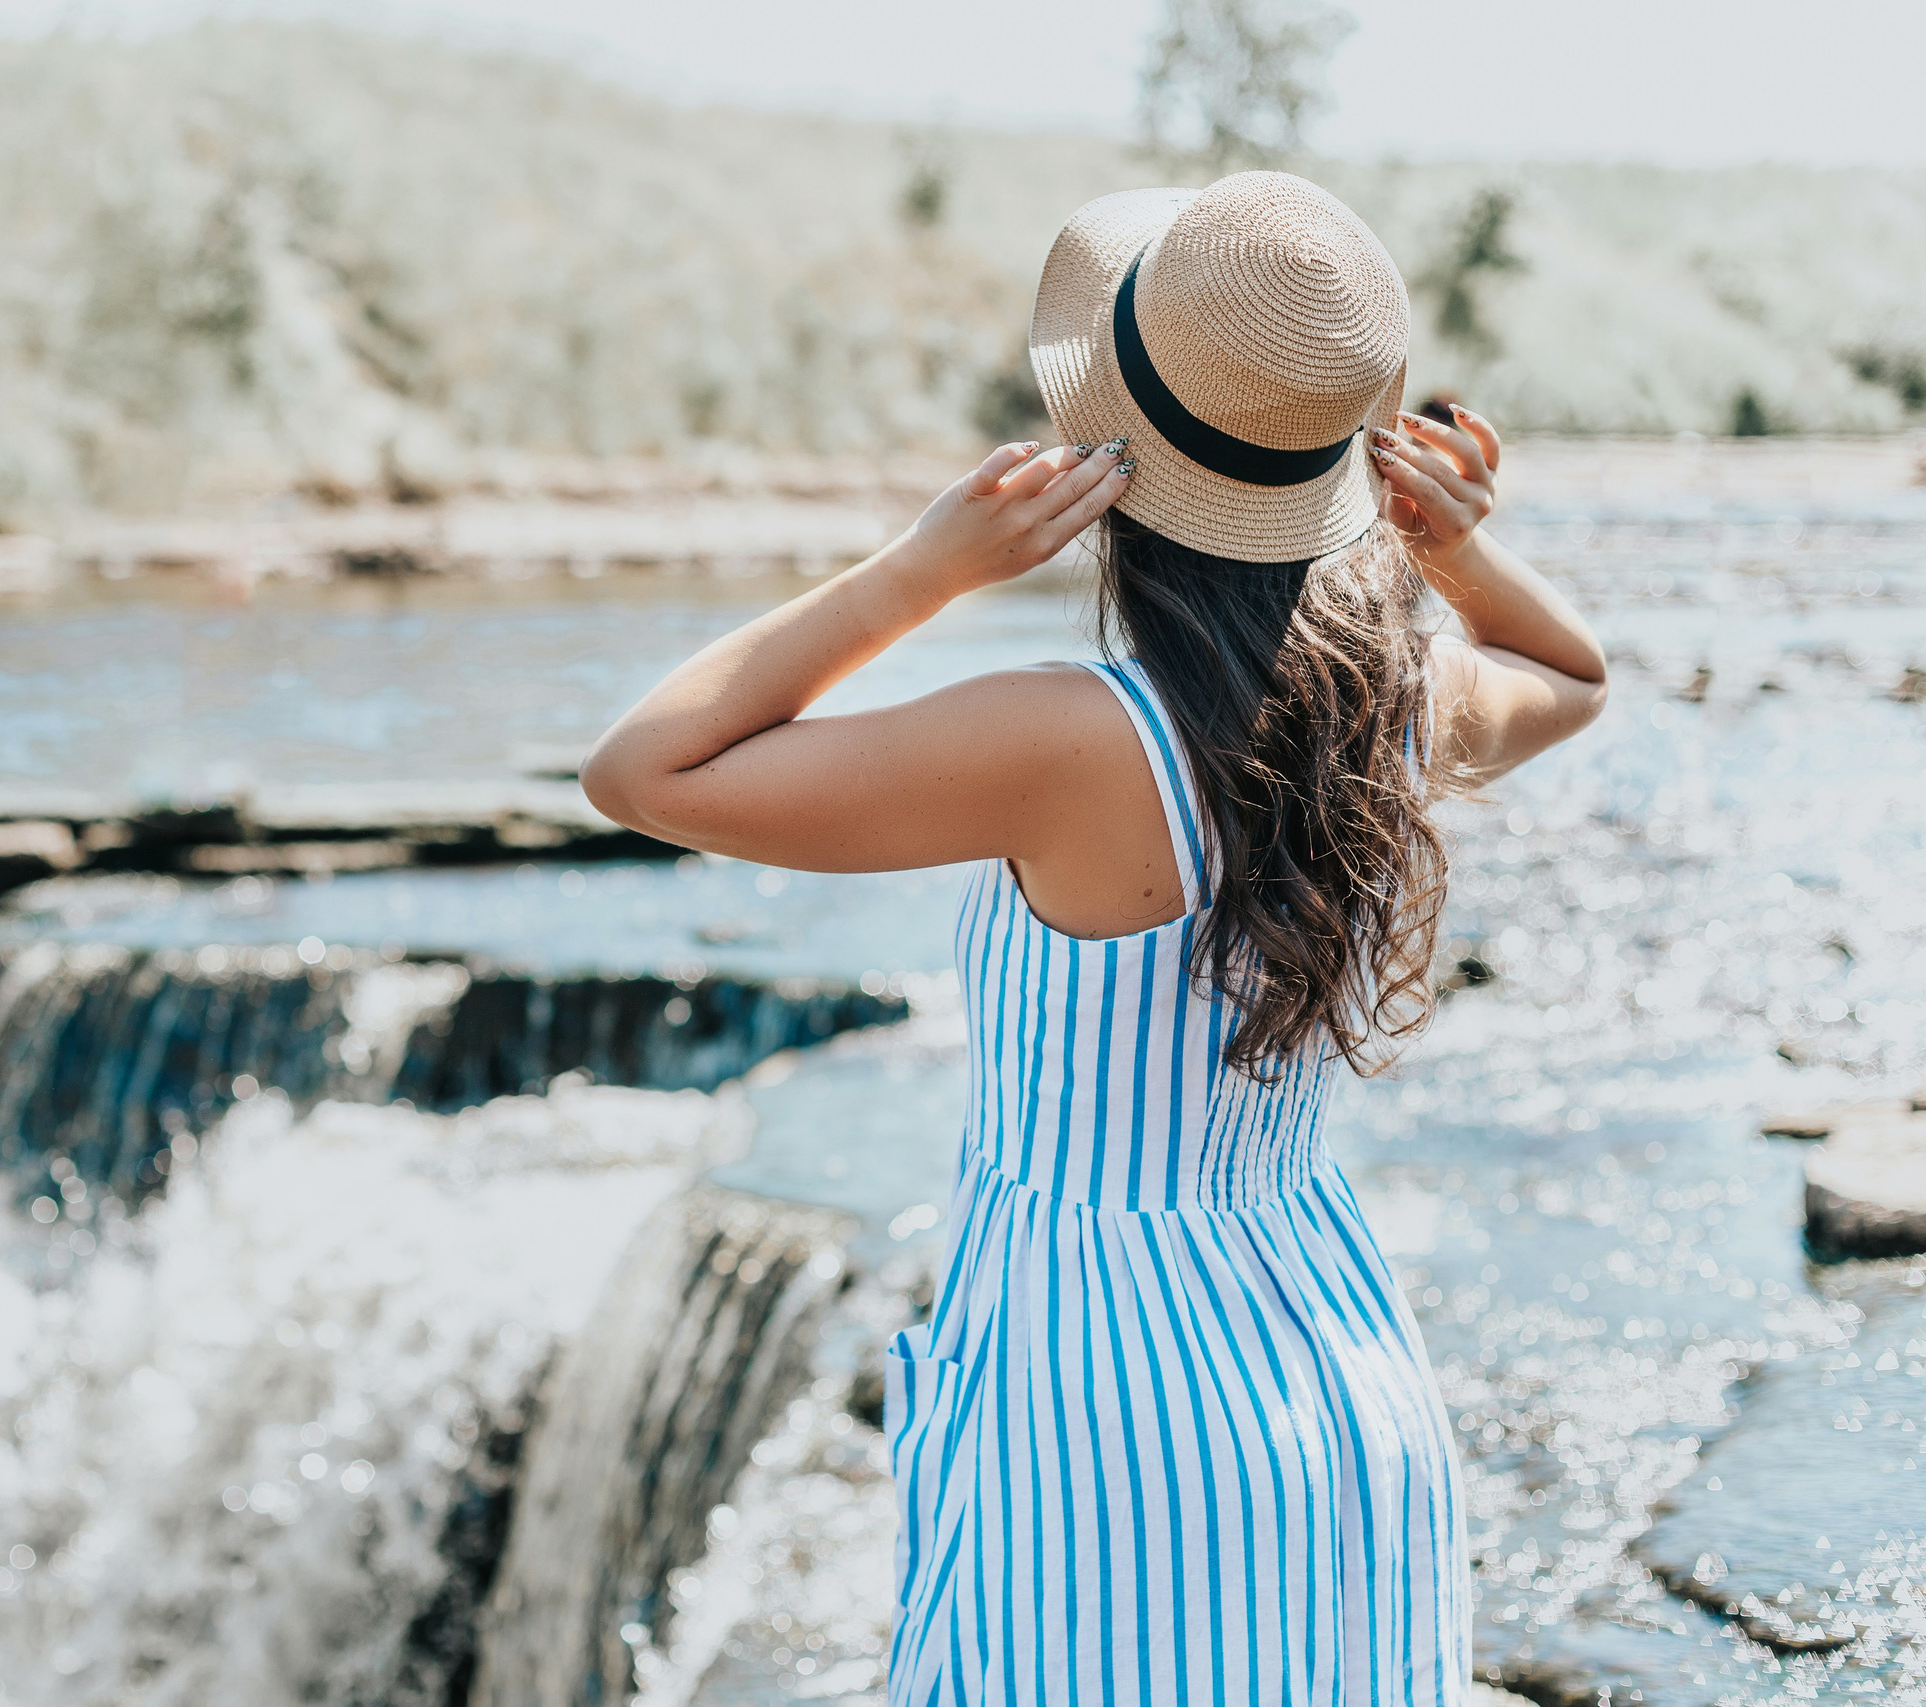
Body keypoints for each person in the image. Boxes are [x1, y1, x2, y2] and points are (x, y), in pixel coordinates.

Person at [580, 172, 1606, 1705]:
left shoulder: (1069, 739)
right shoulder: (1397, 706)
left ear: (1105, 456)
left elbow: (640, 770)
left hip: (1105, 1403)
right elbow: (1571, 672)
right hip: (1336, 1373)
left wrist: (920, 573)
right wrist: (1450, 548)